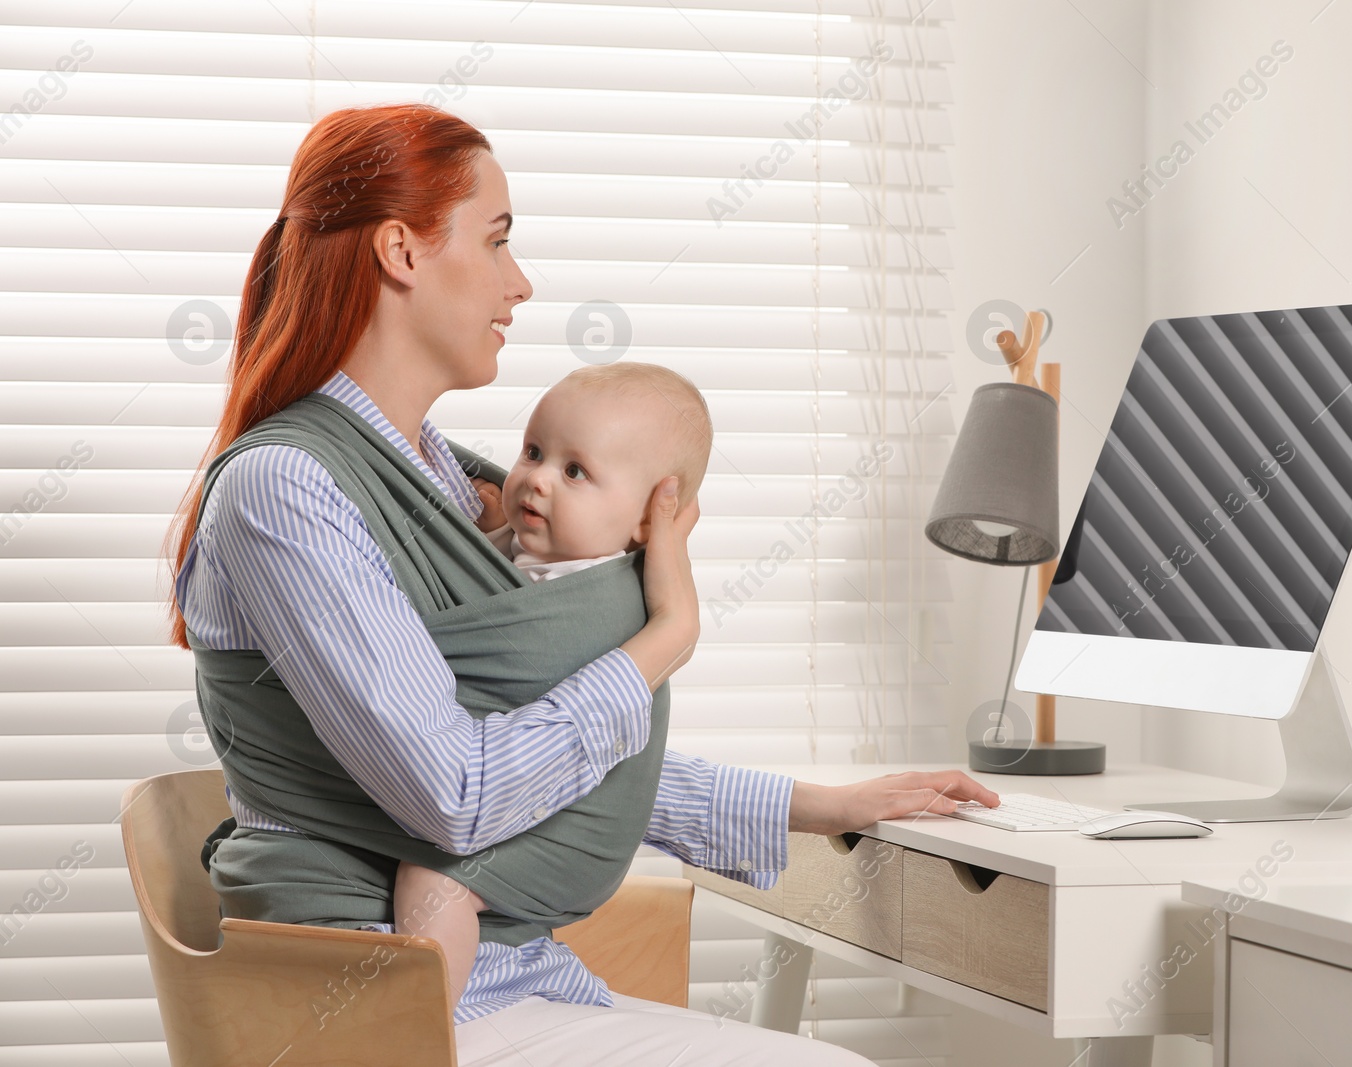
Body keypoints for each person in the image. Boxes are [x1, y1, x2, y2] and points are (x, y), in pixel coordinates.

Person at [166, 102, 998, 1065]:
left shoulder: (450, 480)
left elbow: (539, 760)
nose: (520, 285)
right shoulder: (288, 489)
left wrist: (824, 804)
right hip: (380, 1005)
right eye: (498, 241)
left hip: (510, 976)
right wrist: (664, 636)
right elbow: (461, 796)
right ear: (400, 250)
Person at [396, 361, 716, 1012]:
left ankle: (428, 1023)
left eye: (575, 472)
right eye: (534, 451)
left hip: (576, 833)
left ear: (651, 517)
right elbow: (485, 575)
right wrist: (486, 525)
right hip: (529, 800)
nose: (537, 479)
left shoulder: (608, 593)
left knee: (432, 880)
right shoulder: (531, 548)